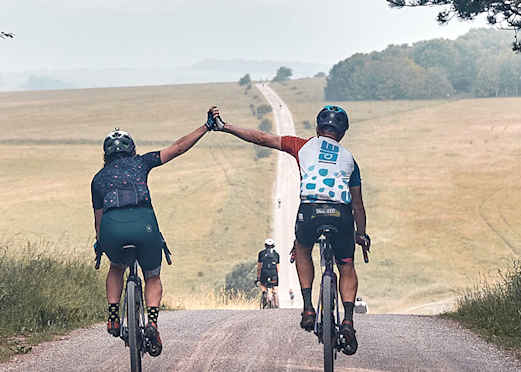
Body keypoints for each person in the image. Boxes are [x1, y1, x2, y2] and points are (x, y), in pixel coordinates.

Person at [209, 104, 369, 354]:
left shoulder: (302, 145)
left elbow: (262, 138)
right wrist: (361, 234)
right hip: (341, 215)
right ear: (343, 133)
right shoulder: (350, 160)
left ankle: (307, 308)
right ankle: (348, 320)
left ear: (318, 128)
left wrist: (225, 127)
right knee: (346, 264)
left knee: (303, 248)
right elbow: (358, 205)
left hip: (310, 212)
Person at [92, 120, 210, 356]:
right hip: (144, 225)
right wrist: (205, 127)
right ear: (132, 149)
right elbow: (178, 147)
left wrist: (102, 243)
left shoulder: (97, 179)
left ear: (105, 155)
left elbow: (98, 222)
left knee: (116, 267)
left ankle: (113, 318)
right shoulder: (142, 162)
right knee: (153, 276)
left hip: (111, 229)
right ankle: (152, 323)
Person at [256, 237, 280, 305]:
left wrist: (258, 277)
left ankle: (264, 294)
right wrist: (276, 275)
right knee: (275, 287)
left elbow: (259, 267)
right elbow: (278, 268)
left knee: (262, 284)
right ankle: (275, 298)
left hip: (264, 272)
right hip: (273, 272)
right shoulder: (276, 254)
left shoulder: (261, 253)